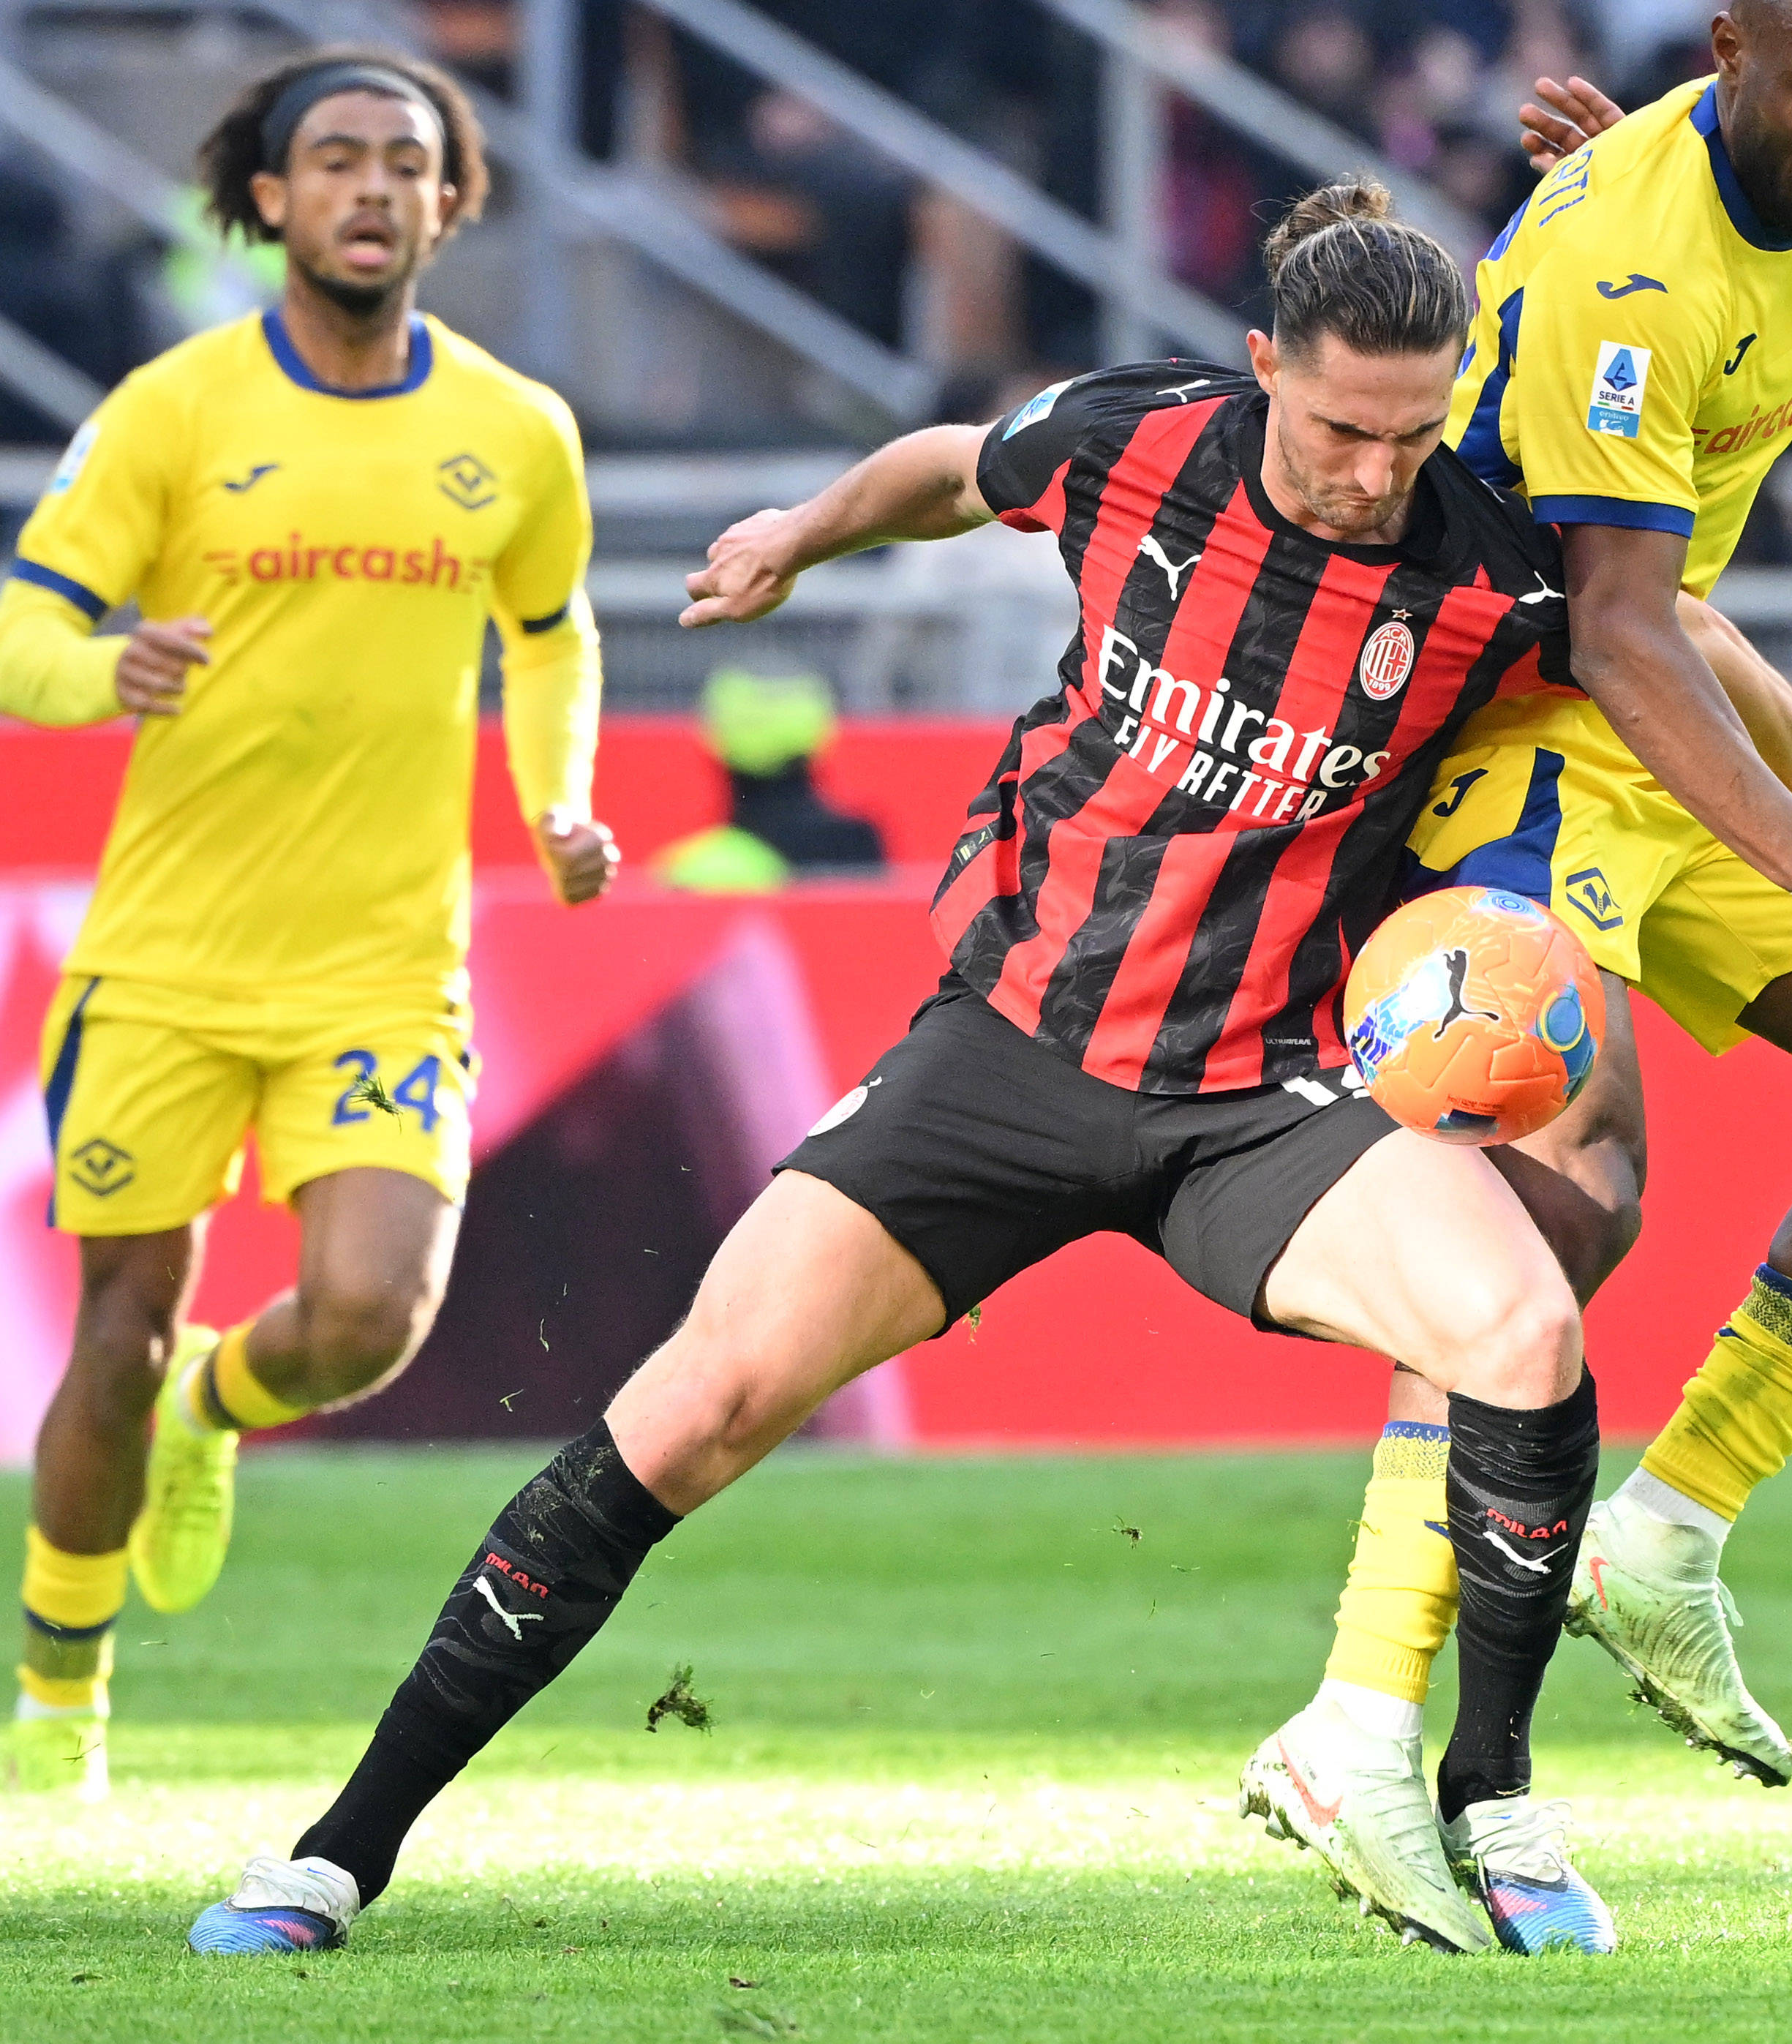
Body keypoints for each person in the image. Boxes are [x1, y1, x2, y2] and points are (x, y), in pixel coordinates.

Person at [185, 186, 1628, 1963]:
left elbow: (1669, 649)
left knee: (1524, 1333)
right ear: (1266, 367)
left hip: (1261, 1093)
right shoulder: (1136, 441)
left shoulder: (1488, 568)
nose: (1374, 473)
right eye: (1342, 428)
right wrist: (800, 535)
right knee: (693, 1410)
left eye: (1411, 435)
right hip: (1003, 1058)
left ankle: (1492, 1798)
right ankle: (336, 1856)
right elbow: (950, 469)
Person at [1279, 0, 1792, 1801]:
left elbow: (1660, 589)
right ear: (1730, 52)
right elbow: (1620, 620)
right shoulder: (1633, 270)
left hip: (1643, 710)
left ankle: (1666, 1534)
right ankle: (1358, 1721)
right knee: (1560, 1192)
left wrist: (1629, 163)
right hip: (1504, 717)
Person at [0, 48, 617, 1801]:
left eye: (404, 163)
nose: (370, 188)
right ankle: (60, 1701)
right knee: (114, 1331)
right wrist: (102, 670)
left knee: (365, 1317)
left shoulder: (514, 429)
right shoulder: (173, 410)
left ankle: (219, 1407)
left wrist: (555, 801)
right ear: (269, 199)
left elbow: (553, 635)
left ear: (449, 202)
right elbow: (22, 627)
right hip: (167, 963)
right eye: (335, 159)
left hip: (383, 964)